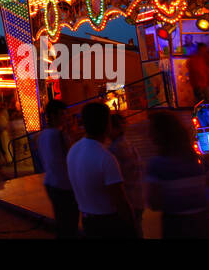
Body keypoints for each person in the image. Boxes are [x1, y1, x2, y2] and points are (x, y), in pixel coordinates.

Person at [66, 102, 136, 238]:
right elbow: (120, 200)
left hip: (87, 218)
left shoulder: (73, 150)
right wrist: (132, 226)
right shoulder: (105, 157)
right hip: (108, 222)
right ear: (107, 124)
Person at [145, 109, 209, 239]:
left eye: (151, 130)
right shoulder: (195, 159)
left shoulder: (158, 165)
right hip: (203, 223)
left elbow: (154, 202)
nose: (149, 135)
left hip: (176, 225)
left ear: (160, 134)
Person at [35, 100, 78, 237]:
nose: (65, 117)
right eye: (62, 114)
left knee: (61, 222)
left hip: (50, 182)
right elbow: (71, 158)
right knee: (70, 223)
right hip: (64, 184)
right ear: (53, 116)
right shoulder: (60, 135)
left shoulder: (41, 136)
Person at [108, 111, 144, 236]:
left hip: (128, 199)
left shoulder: (115, 149)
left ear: (116, 128)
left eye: (110, 128)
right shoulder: (128, 145)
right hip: (137, 197)